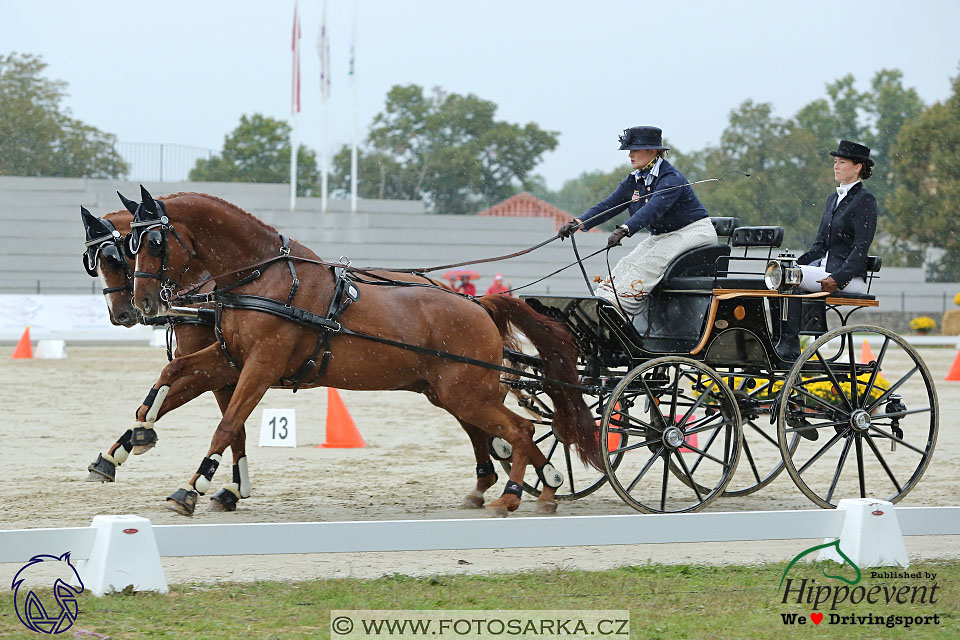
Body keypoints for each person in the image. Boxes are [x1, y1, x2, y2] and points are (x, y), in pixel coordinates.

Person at [557, 126, 716, 316]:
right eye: (629, 150)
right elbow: (609, 205)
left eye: (635, 150)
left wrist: (625, 228)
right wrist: (579, 222)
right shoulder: (634, 180)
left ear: (652, 151)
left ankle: (616, 311)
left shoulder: (671, 178)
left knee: (647, 263)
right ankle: (602, 301)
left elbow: (653, 209)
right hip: (663, 236)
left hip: (692, 232)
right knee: (627, 263)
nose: (630, 155)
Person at [797, 140, 878, 295]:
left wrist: (838, 278)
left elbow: (861, 247)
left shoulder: (865, 199)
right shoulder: (832, 199)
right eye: (835, 162)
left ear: (857, 167)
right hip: (823, 270)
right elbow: (819, 246)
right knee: (780, 275)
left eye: (841, 162)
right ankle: (801, 320)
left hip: (849, 279)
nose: (836, 166)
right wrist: (793, 264)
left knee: (784, 277)